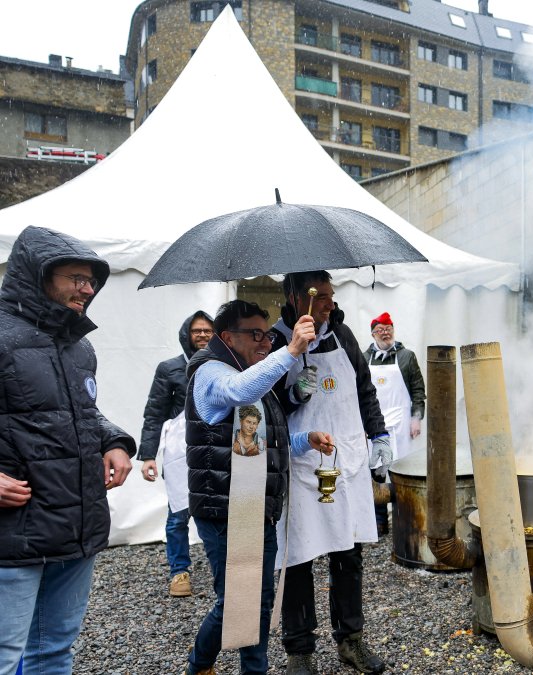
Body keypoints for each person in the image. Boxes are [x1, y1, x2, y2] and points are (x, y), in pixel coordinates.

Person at [0, 226, 136, 674]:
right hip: (13, 534)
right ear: (36, 275)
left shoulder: (79, 347)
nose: (88, 288)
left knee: (54, 650)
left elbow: (78, 413)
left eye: (91, 279)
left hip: (77, 526)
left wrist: (114, 441)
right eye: (76, 277)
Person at [184, 299, 333, 675]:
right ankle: (200, 665)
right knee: (238, 600)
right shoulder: (212, 372)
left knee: (257, 601)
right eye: (254, 334)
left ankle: (237, 668)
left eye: (267, 333)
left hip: (253, 505)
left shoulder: (253, 372)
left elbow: (257, 439)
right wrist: (291, 350)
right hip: (225, 508)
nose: (264, 341)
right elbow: (236, 393)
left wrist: (304, 440)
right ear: (226, 337)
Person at [269, 271, 390, 675]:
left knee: (348, 551)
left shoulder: (344, 335)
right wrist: (292, 391)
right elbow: (265, 412)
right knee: (298, 555)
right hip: (303, 464)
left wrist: (380, 434)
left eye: (330, 295)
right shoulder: (274, 340)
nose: (328, 304)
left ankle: (350, 640)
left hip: (347, 459)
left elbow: (364, 388)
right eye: (320, 297)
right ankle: (299, 650)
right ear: (294, 296)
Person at [138, 310, 214, 598]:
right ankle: (179, 571)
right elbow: (154, 413)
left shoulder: (225, 365)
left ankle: (224, 566)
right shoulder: (169, 368)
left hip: (215, 449)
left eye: (208, 330)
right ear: (187, 334)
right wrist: (148, 456)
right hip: (179, 452)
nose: (203, 335)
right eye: (198, 331)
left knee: (218, 510)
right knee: (178, 514)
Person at [363, 311, 425, 536]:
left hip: (401, 423)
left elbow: (418, 389)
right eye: (381, 330)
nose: (385, 333)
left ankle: (404, 521)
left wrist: (416, 418)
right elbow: (360, 393)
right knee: (377, 471)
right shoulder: (363, 357)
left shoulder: (407, 356)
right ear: (373, 334)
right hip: (375, 423)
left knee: (402, 471)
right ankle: (379, 523)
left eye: (389, 329)